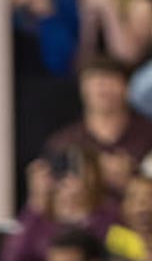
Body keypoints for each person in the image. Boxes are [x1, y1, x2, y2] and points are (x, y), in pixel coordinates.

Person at [3, 147, 116, 261]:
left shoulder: (109, 214)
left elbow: (128, 254)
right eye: (62, 171)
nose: (68, 179)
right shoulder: (37, 218)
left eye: (76, 170)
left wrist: (84, 214)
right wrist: (35, 204)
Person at [44, 55, 152, 200]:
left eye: (110, 79)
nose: (102, 87)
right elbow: (50, 204)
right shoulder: (64, 142)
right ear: (82, 88)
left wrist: (132, 181)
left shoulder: (148, 134)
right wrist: (93, 175)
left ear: (126, 87)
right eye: (94, 81)